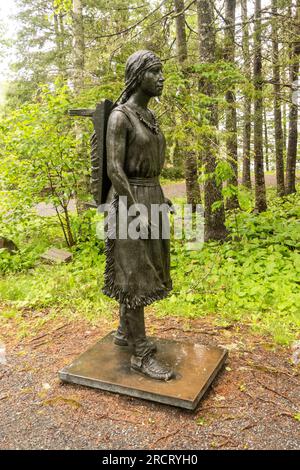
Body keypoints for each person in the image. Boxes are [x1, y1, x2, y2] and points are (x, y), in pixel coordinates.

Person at [103, 50, 174, 381]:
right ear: (138, 76)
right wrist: (135, 209)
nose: (161, 77)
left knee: (148, 270)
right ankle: (141, 354)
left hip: (152, 197)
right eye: (155, 72)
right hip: (129, 202)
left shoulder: (149, 116)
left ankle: (123, 331)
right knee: (134, 276)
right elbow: (115, 168)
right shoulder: (121, 117)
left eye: (162, 72)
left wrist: (160, 200)